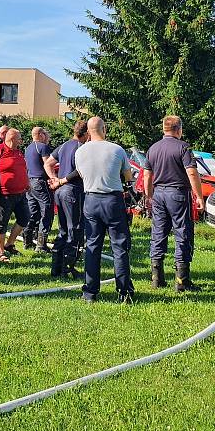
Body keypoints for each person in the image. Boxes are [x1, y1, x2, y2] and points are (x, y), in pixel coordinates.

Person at [74, 117, 134, 303]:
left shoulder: (80, 151)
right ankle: (124, 291)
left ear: (89, 131)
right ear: (104, 129)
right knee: (119, 246)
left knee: (92, 246)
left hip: (91, 200)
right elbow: (128, 175)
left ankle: (90, 292)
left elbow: (82, 174)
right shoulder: (116, 149)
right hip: (112, 200)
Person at [143, 115, 204, 292]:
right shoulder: (183, 147)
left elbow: (147, 175)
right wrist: (199, 196)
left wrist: (149, 196)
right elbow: (192, 173)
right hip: (177, 193)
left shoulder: (153, 148)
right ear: (179, 129)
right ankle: (181, 280)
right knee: (182, 233)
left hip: (159, 194)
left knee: (158, 234)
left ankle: (156, 277)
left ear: (164, 129)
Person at [46, 120, 88, 278]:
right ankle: (68, 268)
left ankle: (56, 267)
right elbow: (80, 170)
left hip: (60, 191)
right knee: (75, 229)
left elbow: (48, 163)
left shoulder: (64, 145)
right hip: (73, 191)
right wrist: (62, 180)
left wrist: (54, 179)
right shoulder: (81, 148)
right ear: (86, 134)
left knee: (63, 229)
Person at [0, 128, 31, 262]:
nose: (21, 140)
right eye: (19, 138)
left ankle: (9, 244)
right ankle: (0, 252)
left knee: (25, 217)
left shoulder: (19, 152)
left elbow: (22, 169)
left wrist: (27, 182)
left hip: (21, 193)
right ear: (12, 138)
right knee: (1, 223)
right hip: (4, 194)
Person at [23, 126, 54, 253]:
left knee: (33, 211)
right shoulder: (42, 147)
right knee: (47, 210)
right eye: (46, 135)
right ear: (40, 135)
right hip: (40, 182)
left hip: (30, 182)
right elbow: (47, 164)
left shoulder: (28, 148)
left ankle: (28, 240)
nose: (47, 138)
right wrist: (53, 178)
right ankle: (41, 245)